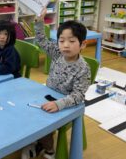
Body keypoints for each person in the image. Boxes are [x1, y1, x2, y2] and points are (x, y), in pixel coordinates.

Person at [34, 8, 91, 159]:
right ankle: (39, 141)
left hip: (67, 105)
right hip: (49, 94)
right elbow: (41, 41)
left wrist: (59, 104)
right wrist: (39, 22)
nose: (66, 45)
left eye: (72, 41)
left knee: (43, 121)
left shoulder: (83, 68)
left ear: (83, 44)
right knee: (29, 113)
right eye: (61, 40)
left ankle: (49, 150)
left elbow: (78, 96)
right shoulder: (57, 52)